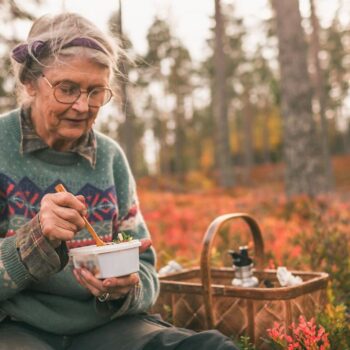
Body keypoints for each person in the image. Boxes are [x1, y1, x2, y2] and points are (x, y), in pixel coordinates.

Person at [0, 12, 238, 350]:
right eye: (67, 89)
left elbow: (145, 266)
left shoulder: (109, 158)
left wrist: (127, 287)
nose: (82, 106)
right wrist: (35, 240)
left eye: (96, 92)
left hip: (106, 327)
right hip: (15, 327)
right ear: (30, 83)